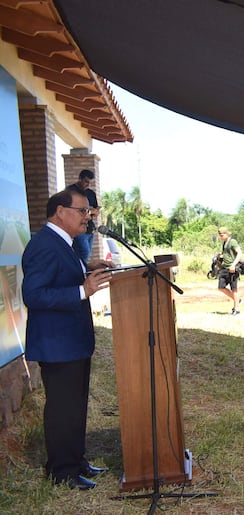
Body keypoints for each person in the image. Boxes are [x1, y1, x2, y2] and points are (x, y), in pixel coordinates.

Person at [21, 190, 113, 489]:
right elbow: (33, 295)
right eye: (82, 211)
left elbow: (61, 276)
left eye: (89, 212)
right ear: (60, 211)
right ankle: (61, 471)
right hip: (57, 344)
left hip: (72, 342)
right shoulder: (44, 244)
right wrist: (82, 290)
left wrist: (88, 270)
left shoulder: (64, 243)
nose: (88, 217)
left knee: (75, 406)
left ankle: (76, 461)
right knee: (62, 408)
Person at [66, 169, 100, 264]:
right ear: (80, 179)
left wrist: (93, 211)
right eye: (86, 181)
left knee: (85, 254)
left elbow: (96, 211)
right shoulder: (70, 191)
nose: (87, 184)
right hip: (77, 227)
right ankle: (82, 272)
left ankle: (81, 270)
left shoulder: (91, 193)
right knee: (84, 252)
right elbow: (70, 209)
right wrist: (87, 211)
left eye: (90, 182)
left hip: (89, 228)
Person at [217, 227, 243, 315]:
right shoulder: (224, 243)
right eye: (220, 236)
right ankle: (238, 300)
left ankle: (236, 309)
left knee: (234, 289)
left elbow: (239, 253)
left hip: (232, 268)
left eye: (222, 235)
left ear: (227, 234)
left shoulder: (232, 242)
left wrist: (233, 265)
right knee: (221, 287)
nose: (221, 237)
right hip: (224, 268)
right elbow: (227, 253)